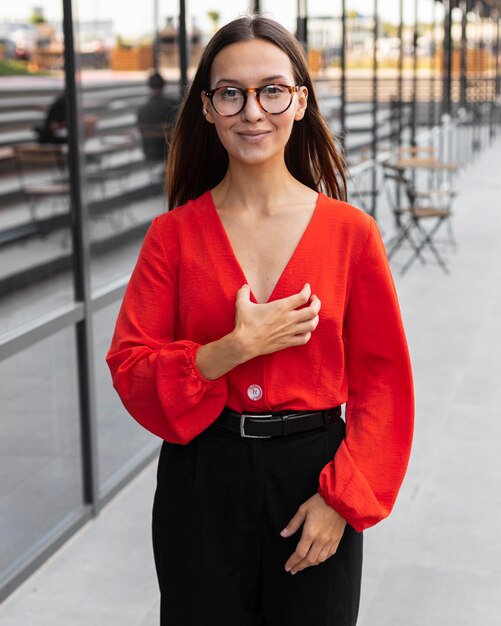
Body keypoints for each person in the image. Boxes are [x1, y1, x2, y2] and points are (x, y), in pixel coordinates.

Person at [106, 15, 414, 626]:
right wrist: (230, 349)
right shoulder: (172, 236)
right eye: (231, 93)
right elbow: (130, 367)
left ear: (299, 101)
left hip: (313, 478)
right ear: (207, 108)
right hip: (202, 477)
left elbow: (384, 383)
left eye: (272, 90)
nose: (252, 111)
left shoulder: (351, 234)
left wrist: (342, 502)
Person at [136, 71, 178, 162]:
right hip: (168, 152)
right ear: (163, 85)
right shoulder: (173, 106)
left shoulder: (142, 110)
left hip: (149, 152)